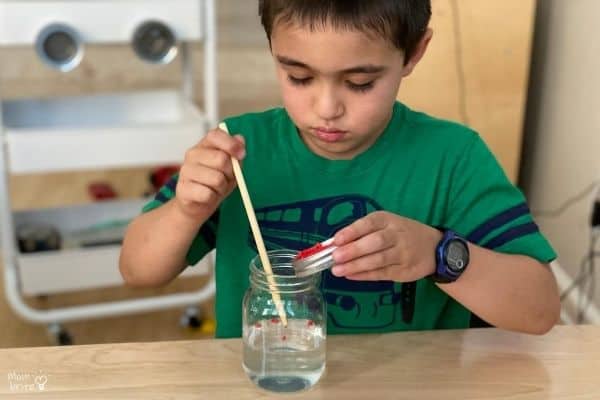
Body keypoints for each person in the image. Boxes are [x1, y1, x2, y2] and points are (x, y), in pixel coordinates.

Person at [119, 0, 560, 338]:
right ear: (273, 47)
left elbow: (539, 311)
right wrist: (185, 211)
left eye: (360, 83)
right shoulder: (240, 148)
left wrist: (438, 254)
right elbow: (138, 271)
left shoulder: (455, 157)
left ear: (414, 52)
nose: (326, 109)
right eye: (298, 77)